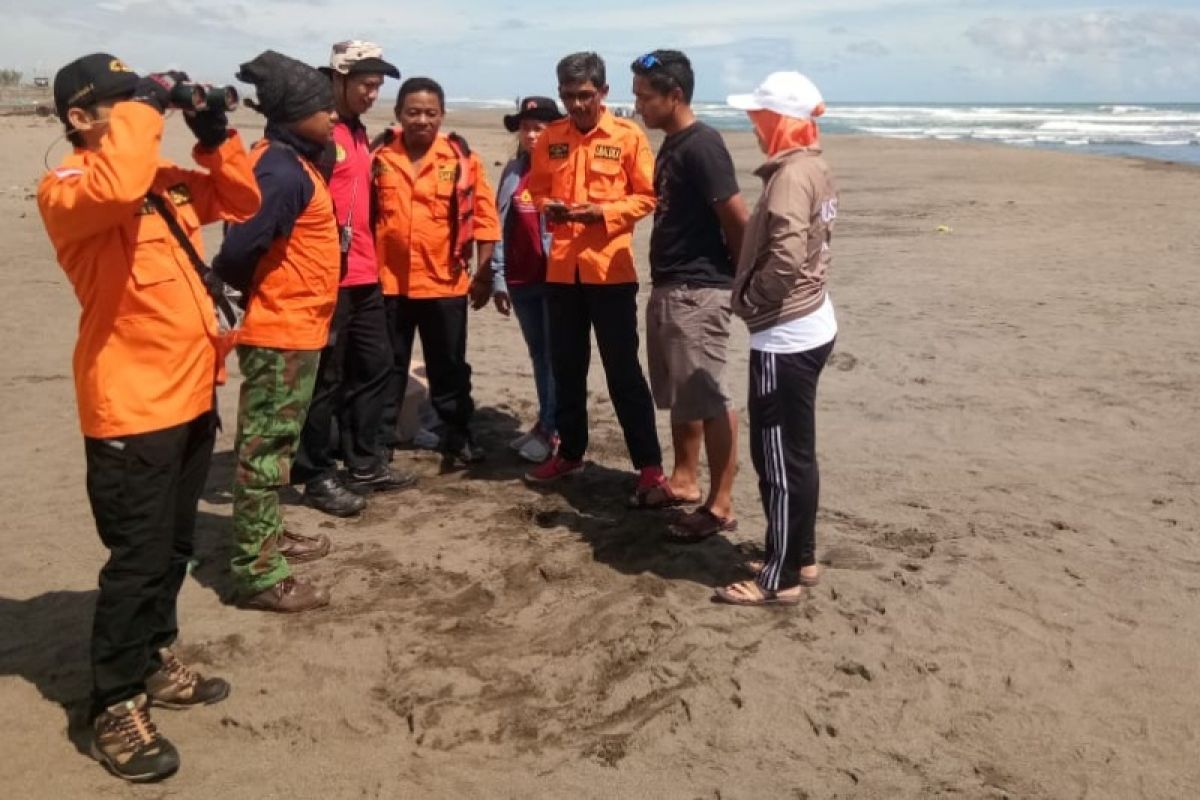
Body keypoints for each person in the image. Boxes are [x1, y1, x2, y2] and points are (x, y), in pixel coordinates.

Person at [38, 54, 260, 781]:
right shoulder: (69, 188)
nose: (142, 116)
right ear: (80, 118)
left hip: (192, 395)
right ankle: (114, 700)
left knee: (171, 548)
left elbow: (238, 198)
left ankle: (154, 655)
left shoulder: (159, 183)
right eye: (120, 104)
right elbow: (120, 178)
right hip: (130, 407)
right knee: (134, 564)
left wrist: (211, 128)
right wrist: (149, 99)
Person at [213, 51, 340, 613]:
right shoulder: (281, 169)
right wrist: (253, 295)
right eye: (321, 107)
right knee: (263, 454)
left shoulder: (296, 161)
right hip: (279, 331)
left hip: (299, 328)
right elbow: (238, 248)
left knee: (275, 449)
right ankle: (260, 573)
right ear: (293, 114)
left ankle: (269, 536)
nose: (332, 116)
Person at [713, 72, 839, 606]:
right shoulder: (813, 165)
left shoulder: (790, 176)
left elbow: (786, 256)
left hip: (787, 333)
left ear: (782, 121)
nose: (752, 124)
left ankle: (781, 578)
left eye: (759, 115)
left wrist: (751, 301)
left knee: (779, 460)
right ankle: (798, 556)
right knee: (796, 453)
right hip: (809, 322)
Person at [524, 52, 670, 506]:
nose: (576, 105)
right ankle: (570, 451)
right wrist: (548, 204)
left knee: (623, 371)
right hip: (562, 270)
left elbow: (648, 196)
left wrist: (602, 213)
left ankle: (648, 467)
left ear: (603, 93)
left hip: (611, 271)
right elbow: (536, 187)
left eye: (585, 96)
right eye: (568, 96)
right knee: (566, 367)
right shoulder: (550, 137)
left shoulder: (627, 136)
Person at [291, 41, 414, 517]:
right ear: (337, 79)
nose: (372, 92)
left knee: (375, 367)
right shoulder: (317, 133)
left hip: (365, 271)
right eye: (365, 83)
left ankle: (364, 462)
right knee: (326, 378)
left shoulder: (360, 133)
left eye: (378, 85)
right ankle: (314, 473)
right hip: (327, 276)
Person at [630, 50, 749, 540]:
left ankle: (720, 505)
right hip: (673, 286)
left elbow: (738, 218)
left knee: (708, 395)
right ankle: (684, 480)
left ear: (674, 95)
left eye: (645, 98)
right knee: (682, 393)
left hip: (699, 289)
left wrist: (739, 285)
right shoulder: (675, 144)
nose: (638, 107)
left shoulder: (702, 145)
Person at [373, 77, 501, 466]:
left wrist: (483, 275)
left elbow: (485, 221)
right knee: (386, 368)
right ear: (399, 114)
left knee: (449, 368)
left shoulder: (462, 159)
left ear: (442, 115)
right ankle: (379, 445)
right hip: (387, 283)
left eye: (431, 113)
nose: (422, 120)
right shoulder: (378, 156)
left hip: (444, 283)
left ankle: (457, 436)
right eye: (413, 112)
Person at [489, 96, 565, 463]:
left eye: (540, 127)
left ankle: (554, 430)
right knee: (539, 355)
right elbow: (499, 225)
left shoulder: (563, 169)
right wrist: (498, 278)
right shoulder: (514, 172)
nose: (532, 134)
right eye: (526, 127)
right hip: (522, 279)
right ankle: (544, 423)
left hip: (555, 279)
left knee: (556, 356)